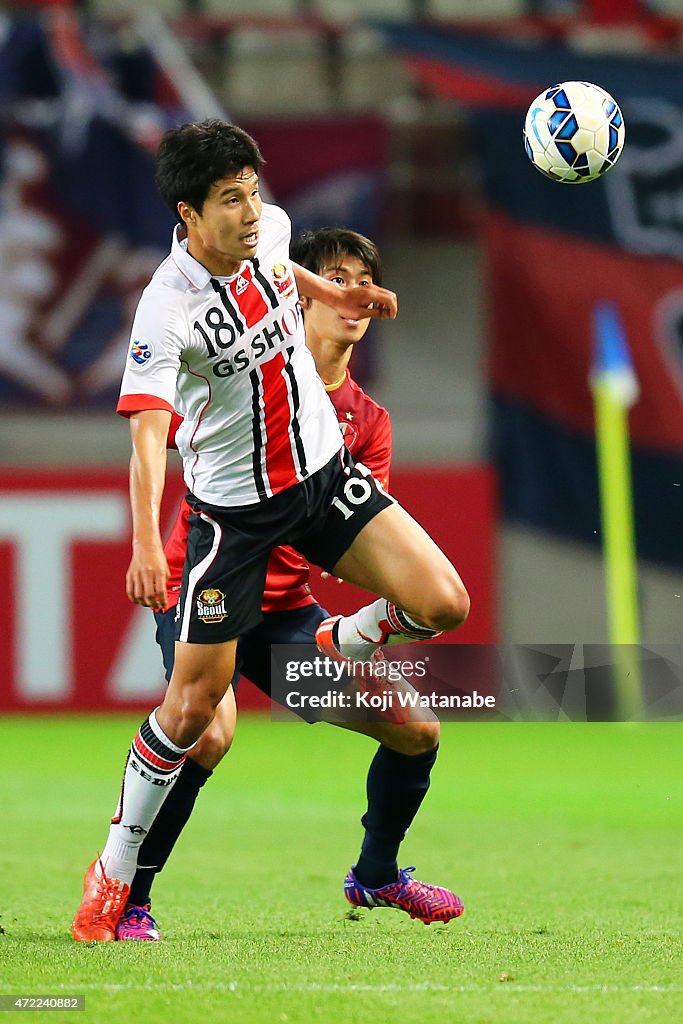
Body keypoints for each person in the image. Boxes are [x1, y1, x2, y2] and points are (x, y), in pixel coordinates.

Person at [71, 120, 470, 942]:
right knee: (196, 726)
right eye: (230, 198)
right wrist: (147, 543)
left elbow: (277, 268)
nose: (252, 209)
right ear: (188, 214)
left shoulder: (272, 229)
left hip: (321, 486)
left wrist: (330, 294)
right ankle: (119, 879)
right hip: (233, 528)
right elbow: (148, 431)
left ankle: (375, 874)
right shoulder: (165, 308)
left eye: (253, 188)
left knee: (442, 611)